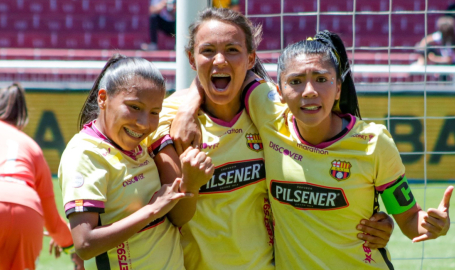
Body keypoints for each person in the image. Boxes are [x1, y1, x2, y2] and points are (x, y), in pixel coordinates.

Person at [151, 8, 396, 270]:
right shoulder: (169, 116)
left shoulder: (271, 113)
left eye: (232, 50)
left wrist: (375, 219)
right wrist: (189, 107)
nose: (220, 60)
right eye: (208, 50)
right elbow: (175, 216)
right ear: (191, 58)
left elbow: (320, 169)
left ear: (250, 58)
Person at [242, 30, 454, 269]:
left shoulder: (373, 142)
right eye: (296, 81)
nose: (310, 90)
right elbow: (226, 69)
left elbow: (409, 219)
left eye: (321, 79)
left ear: (339, 88)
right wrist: (190, 101)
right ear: (279, 90)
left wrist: (432, 224)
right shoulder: (270, 120)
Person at [58, 54, 213, 269]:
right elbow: (85, 244)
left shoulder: (142, 148)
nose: (144, 123)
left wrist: (191, 184)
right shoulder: (84, 153)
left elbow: (178, 219)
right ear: (103, 99)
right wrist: (152, 209)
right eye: (135, 107)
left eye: (154, 112)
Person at [0, 83, 77, 270]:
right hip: (27, 213)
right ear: (23, 118)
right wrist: (71, 244)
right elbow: (52, 222)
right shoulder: (33, 148)